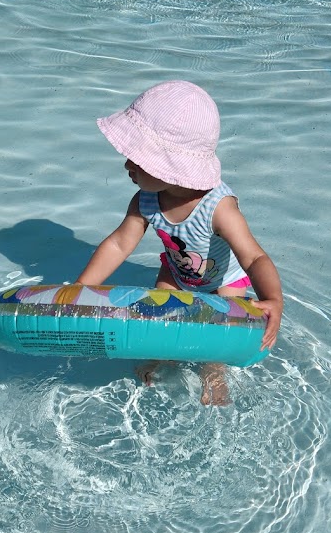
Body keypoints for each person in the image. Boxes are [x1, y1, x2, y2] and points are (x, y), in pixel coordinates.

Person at [76, 80, 283, 402]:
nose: (127, 165)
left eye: (137, 158)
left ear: (168, 166)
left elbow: (254, 258)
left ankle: (214, 372)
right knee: (162, 320)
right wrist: (80, 289)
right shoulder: (145, 199)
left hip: (223, 281)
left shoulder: (219, 208)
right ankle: (164, 356)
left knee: (219, 331)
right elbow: (119, 244)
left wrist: (273, 300)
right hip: (176, 274)